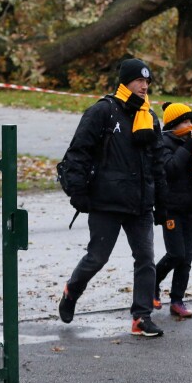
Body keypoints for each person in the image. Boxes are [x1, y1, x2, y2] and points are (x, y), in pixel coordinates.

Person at [57, 58, 168, 337]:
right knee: (97, 258)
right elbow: (78, 153)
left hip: (141, 204)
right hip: (106, 201)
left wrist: (163, 201)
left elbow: (157, 162)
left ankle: (141, 317)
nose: (144, 86)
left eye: (147, 81)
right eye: (139, 80)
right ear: (125, 82)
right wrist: (77, 191)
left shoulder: (149, 117)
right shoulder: (103, 112)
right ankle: (72, 291)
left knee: (146, 259)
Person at [153, 102, 192, 318]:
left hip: (190, 207)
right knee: (176, 253)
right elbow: (171, 169)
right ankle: (153, 281)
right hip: (170, 208)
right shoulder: (164, 143)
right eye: (185, 122)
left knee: (187, 257)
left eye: (191, 121)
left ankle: (177, 299)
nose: (190, 125)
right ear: (173, 124)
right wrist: (188, 147)